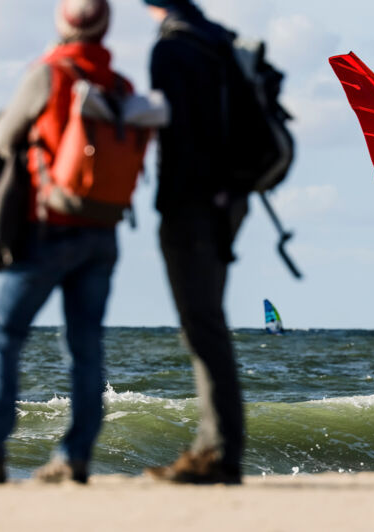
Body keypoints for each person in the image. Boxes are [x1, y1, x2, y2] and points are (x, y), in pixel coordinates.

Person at [0, 0, 124, 484]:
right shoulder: (119, 86)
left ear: (63, 23)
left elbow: (3, 137)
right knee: (86, 346)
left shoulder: (51, 73)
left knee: (1, 333)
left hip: (50, 228)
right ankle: (75, 457)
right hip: (103, 232)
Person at [141, 0, 248, 484]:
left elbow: (179, 132)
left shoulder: (173, 48)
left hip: (193, 204)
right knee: (208, 323)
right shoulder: (219, 39)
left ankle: (221, 453)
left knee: (202, 325)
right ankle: (214, 447)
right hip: (231, 201)